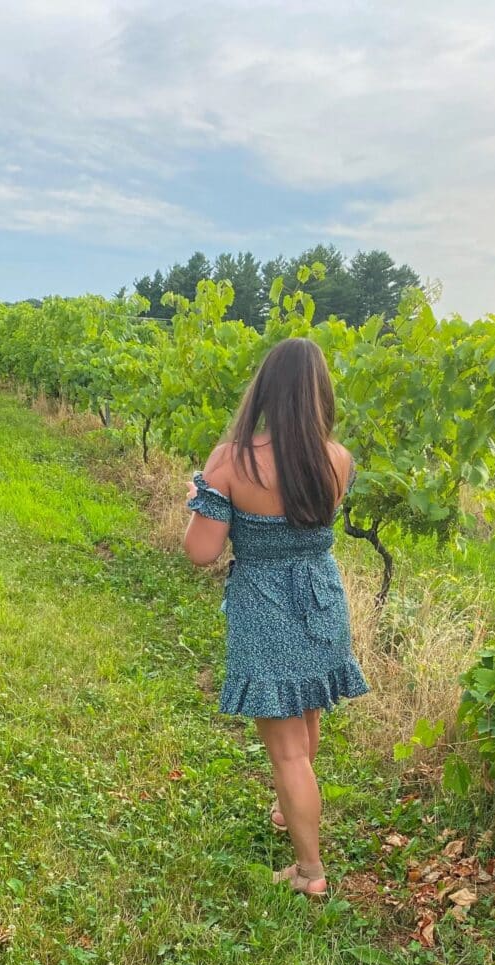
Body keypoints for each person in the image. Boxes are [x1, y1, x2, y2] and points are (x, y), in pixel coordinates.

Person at [183, 336, 369, 897]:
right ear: (320, 392)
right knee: (306, 716)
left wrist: (196, 496)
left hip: (265, 606)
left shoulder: (233, 459)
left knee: (286, 749)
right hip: (321, 599)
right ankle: (291, 812)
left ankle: (310, 871)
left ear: (266, 389)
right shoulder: (338, 459)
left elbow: (201, 551)